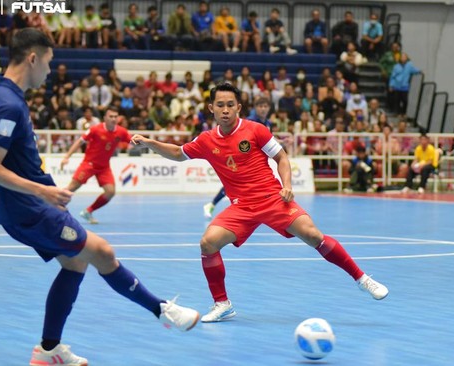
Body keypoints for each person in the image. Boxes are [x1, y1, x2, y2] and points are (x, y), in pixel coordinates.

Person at [0, 28, 199, 366]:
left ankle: (49, 351)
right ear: (33, 58)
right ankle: (162, 311)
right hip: (31, 208)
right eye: (49, 63)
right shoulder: (8, 104)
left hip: (23, 208)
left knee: (76, 262)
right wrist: (45, 191)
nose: (50, 71)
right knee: (102, 252)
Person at [132, 83, 389, 323]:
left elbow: (282, 157)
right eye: (220, 104)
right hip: (241, 207)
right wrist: (150, 143)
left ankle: (362, 279)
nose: (225, 109)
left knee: (312, 235)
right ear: (211, 108)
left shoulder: (256, 130)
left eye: (230, 104)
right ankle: (222, 304)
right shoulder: (207, 140)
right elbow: (178, 153)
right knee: (208, 243)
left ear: (238, 107)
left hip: (272, 198)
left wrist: (287, 185)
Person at [203, 96, 272, 218]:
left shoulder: (268, 123)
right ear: (255, 108)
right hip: (239, 157)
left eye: (265, 107)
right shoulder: (251, 122)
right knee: (234, 185)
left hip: (255, 160)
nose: (263, 109)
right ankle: (213, 204)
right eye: (260, 106)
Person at [60, 107, 129, 224]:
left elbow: (132, 141)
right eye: (110, 116)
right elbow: (79, 141)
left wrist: (150, 145)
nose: (113, 119)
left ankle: (88, 211)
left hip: (104, 167)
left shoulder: (121, 132)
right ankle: (50, 208)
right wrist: (67, 157)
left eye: (115, 117)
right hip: (89, 164)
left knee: (110, 192)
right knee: (70, 189)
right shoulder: (95, 129)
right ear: (105, 118)